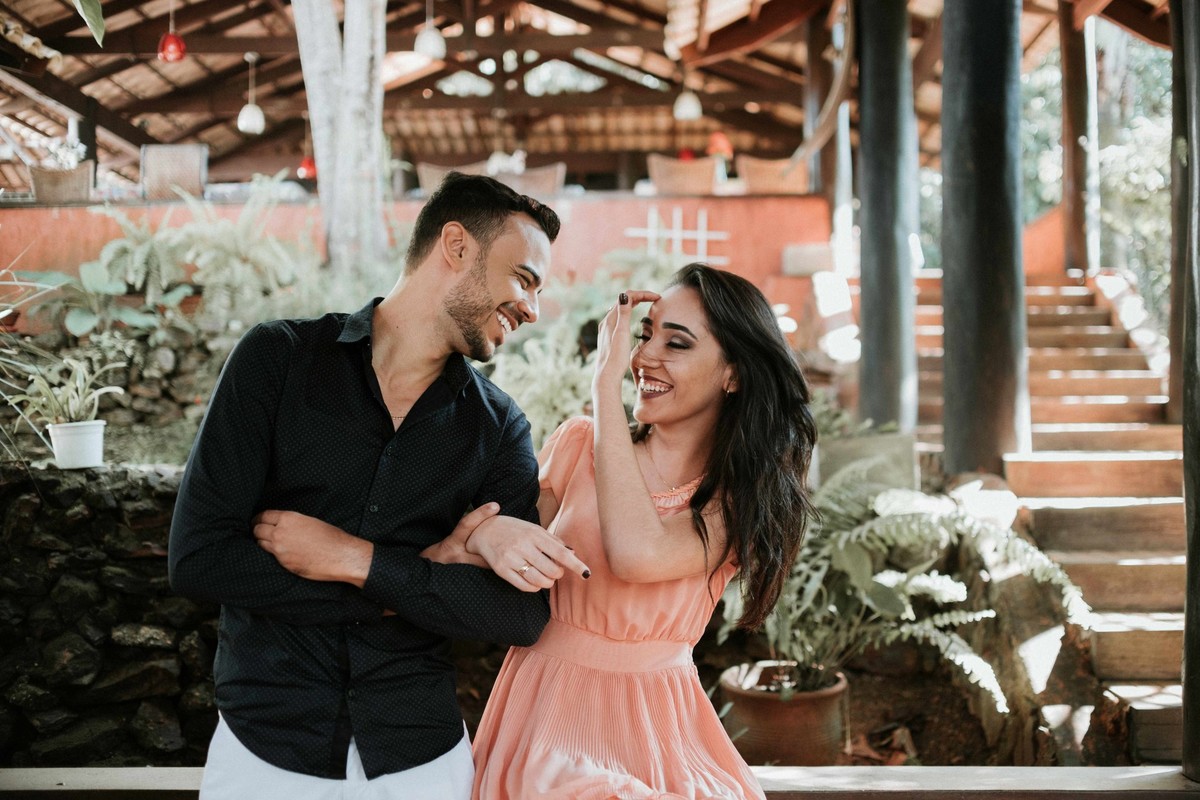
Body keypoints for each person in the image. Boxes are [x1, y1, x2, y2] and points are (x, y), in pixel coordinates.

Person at [168, 172, 588, 800]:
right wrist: (415, 578)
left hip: (420, 759)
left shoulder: (499, 428)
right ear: (456, 246)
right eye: (524, 278)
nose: (531, 307)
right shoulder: (277, 361)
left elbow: (518, 612)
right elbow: (201, 559)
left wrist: (352, 561)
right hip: (267, 747)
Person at [466, 263, 819, 799]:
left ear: (735, 373)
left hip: (659, 730)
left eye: (676, 343)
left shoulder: (737, 500)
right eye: (645, 334)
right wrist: (483, 537)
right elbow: (482, 553)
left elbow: (637, 555)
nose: (644, 355)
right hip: (546, 714)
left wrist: (604, 387)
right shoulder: (578, 447)